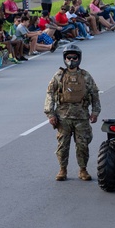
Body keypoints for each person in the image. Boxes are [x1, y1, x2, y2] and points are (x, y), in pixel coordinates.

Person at [44, 44, 101, 182]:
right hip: (63, 117)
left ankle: (83, 170)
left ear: (79, 58)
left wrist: (95, 112)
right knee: (63, 145)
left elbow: (94, 94)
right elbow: (50, 94)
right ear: (64, 58)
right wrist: (50, 114)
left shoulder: (86, 76)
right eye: (68, 57)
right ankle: (62, 170)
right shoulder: (59, 76)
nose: (71, 60)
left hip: (81, 116)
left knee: (82, 145)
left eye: (74, 58)